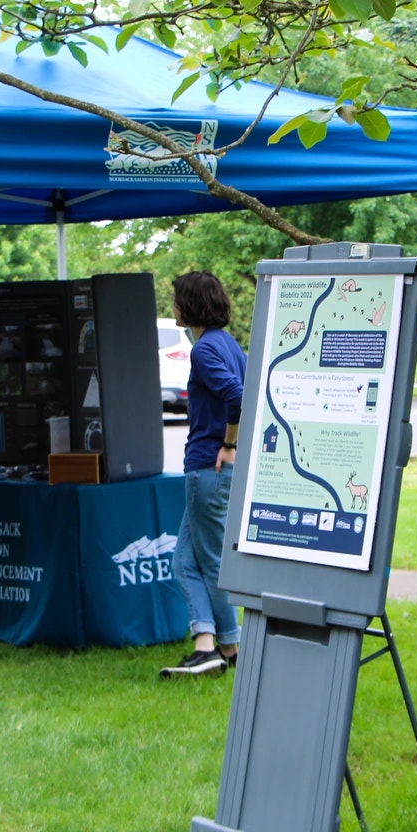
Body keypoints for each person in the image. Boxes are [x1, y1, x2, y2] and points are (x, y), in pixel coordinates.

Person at [161, 271, 246, 677]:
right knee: (183, 561)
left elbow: (238, 396)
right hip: (212, 470)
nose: (173, 305)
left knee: (210, 560)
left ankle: (228, 645)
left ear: (189, 305)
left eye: (177, 299)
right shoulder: (228, 344)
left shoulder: (203, 350)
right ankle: (211, 644)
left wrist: (228, 446)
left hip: (207, 468)